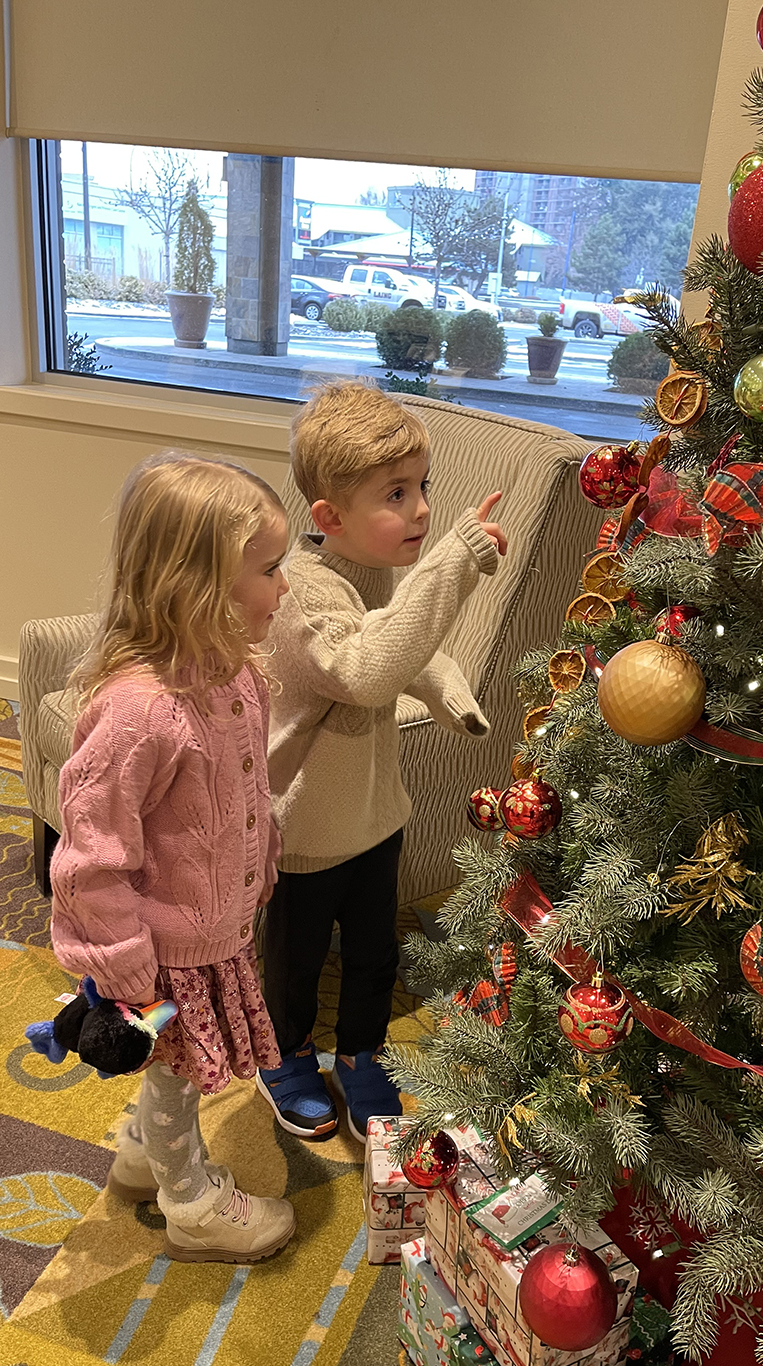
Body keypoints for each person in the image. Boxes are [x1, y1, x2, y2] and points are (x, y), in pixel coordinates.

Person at [49, 451, 295, 1264]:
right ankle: (189, 1202)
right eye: (269, 570)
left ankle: (137, 1155)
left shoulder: (239, 680)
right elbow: (90, 859)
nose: (284, 588)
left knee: (173, 1066)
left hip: (214, 936)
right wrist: (124, 964)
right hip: (159, 958)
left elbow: (246, 796)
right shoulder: (138, 714)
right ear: (197, 589)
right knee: (179, 1074)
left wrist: (262, 862)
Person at [257, 380, 507, 1143]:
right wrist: (454, 562)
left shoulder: (370, 574)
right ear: (329, 518)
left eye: (422, 486)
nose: (421, 509)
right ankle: (283, 1053)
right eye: (395, 494)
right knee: (296, 959)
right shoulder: (302, 592)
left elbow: (407, 648)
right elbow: (366, 669)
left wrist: (451, 695)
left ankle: (360, 1053)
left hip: (372, 814)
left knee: (373, 951)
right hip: (306, 825)